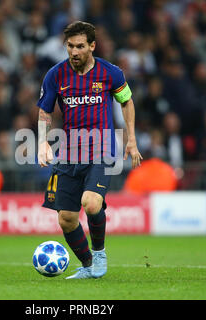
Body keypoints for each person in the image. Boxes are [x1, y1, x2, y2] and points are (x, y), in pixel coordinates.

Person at [36, 21, 142, 279]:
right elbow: (45, 110)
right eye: (70, 46)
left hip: (102, 148)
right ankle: (88, 266)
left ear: (92, 46)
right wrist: (42, 141)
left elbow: (126, 102)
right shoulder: (55, 75)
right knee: (67, 219)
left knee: (91, 203)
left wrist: (131, 139)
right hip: (70, 152)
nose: (74, 52)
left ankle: (100, 253)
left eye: (80, 46)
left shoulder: (111, 73)